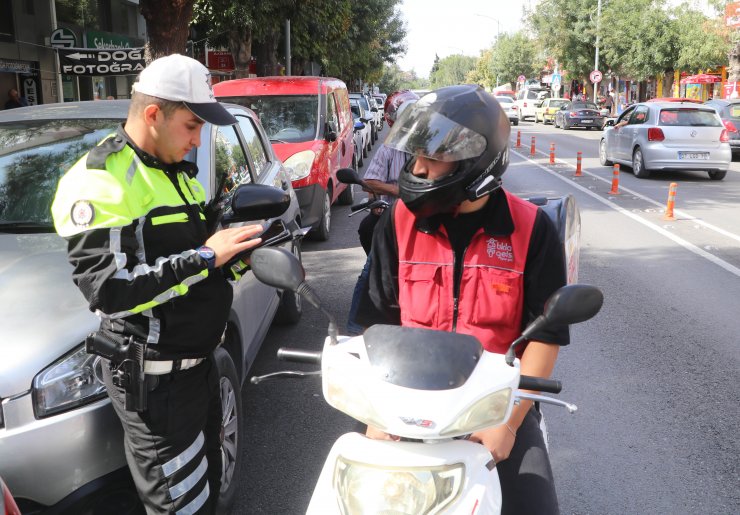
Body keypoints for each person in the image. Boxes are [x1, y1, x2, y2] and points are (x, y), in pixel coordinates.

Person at [51, 54, 264, 514]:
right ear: (153, 114)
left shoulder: (175, 172)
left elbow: (196, 268)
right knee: (181, 507)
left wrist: (242, 257)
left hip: (201, 369)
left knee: (207, 495)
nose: (198, 140)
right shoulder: (101, 180)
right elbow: (112, 291)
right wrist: (209, 255)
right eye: (191, 126)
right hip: (156, 389)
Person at [355, 84, 569, 514]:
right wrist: (374, 417)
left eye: (432, 158)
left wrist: (508, 425)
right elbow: (374, 325)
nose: (417, 169)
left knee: (536, 506)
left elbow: (544, 338)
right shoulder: (397, 222)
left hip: (494, 408)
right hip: (406, 403)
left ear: (477, 163)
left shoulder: (532, 230)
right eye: (416, 156)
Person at [346, 90, 418, 335]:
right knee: (372, 263)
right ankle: (356, 330)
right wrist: (389, 194)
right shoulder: (388, 149)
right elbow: (370, 182)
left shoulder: (431, 146)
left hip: (425, 218)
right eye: (405, 119)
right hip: (392, 218)